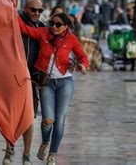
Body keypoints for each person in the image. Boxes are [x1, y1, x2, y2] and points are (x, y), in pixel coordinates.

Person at [18, 12, 89, 165]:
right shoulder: (43, 33)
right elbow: (24, 28)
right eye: (52, 23)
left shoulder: (71, 39)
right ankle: (45, 142)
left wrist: (83, 65)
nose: (54, 27)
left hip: (65, 83)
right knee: (47, 120)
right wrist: (11, 8)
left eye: (58, 24)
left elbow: (83, 56)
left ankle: (52, 154)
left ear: (66, 27)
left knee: (60, 121)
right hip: (46, 82)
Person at [3, 0, 46, 164]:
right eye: (33, 10)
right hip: (14, 77)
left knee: (29, 117)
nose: (36, 13)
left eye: (39, 11)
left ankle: (26, 155)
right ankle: (9, 150)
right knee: (11, 117)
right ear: (25, 8)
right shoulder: (15, 22)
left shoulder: (42, 28)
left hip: (33, 79)